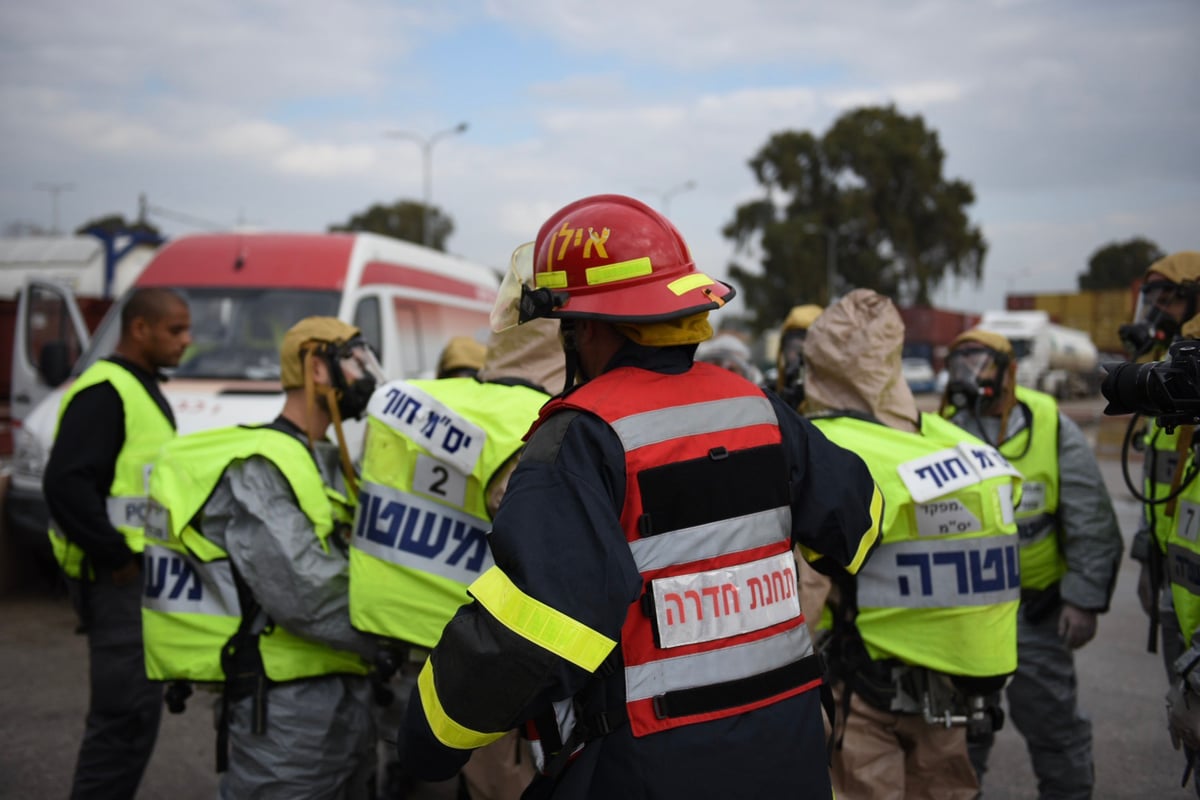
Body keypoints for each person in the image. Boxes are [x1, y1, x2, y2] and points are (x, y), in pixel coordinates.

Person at [395, 194, 882, 799]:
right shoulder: (758, 409)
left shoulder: (580, 437)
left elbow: (530, 630)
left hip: (650, 768)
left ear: (589, 328)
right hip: (789, 753)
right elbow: (857, 522)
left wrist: (427, 739)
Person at [140, 316, 384, 799]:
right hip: (286, 710)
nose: (366, 377)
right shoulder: (262, 463)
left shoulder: (326, 459)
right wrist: (403, 631)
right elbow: (305, 594)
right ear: (318, 366)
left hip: (345, 689)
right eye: (356, 362)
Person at [801, 289, 1022, 800]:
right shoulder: (956, 442)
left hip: (865, 685)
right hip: (955, 683)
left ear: (819, 364)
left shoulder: (838, 451)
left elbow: (801, 596)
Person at [352, 316, 564, 800]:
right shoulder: (543, 419)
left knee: (403, 769)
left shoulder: (402, 402)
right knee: (495, 780)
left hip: (393, 629)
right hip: (481, 648)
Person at [940, 327, 1123, 799]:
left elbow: (1091, 517)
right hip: (965, 618)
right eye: (959, 364)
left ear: (1008, 372)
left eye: (978, 363)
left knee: (1055, 732)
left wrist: (1083, 600)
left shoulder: (1048, 424)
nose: (967, 375)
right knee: (960, 738)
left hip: (1036, 614)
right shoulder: (943, 428)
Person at [43, 287, 191, 799]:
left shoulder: (141, 387)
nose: (186, 340)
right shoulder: (106, 390)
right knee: (120, 722)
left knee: (134, 720)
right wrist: (116, 556)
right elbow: (64, 484)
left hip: (137, 580)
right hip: (117, 582)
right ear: (140, 328)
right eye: (176, 330)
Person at [1119, 251, 1200, 681]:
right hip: (1174, 569)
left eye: (1163, 300)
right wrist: (1148, 547)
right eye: (1148, 300)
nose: (1154, 313)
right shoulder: (1170, 374)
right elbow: (1161, 475)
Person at [776, 303, 823, 409]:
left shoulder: (836, 401)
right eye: (795, 348)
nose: (801, 358)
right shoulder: (771, 397)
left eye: (809, 349)